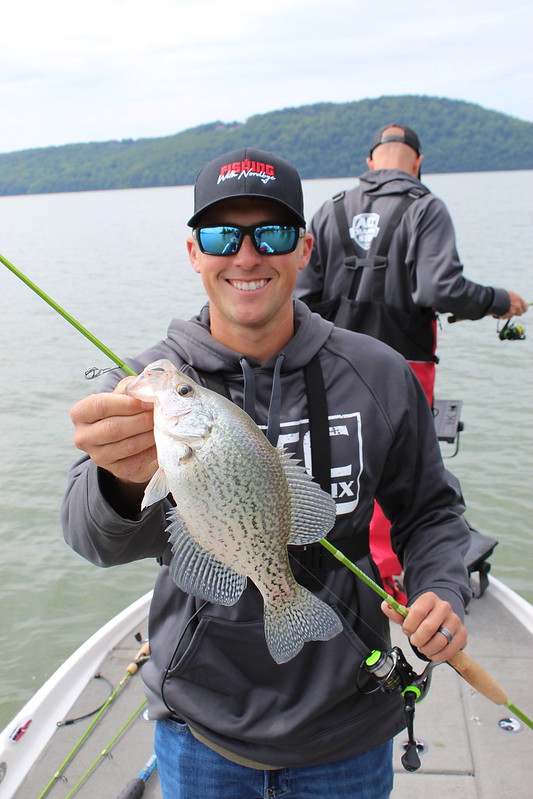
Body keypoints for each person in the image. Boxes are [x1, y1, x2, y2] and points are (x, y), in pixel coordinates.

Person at [62, 147, 472, 799]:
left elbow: (431, 515)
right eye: (223, 234)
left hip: (348, 725)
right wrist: (116, 481)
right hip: (202, 730)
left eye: (271, 232)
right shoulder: (147, 387)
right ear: (194, 251)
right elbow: (95, 542)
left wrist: (442, 589)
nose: (246, 255)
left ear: (305, 248)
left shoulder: (380, 372)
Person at [295, 124, 528, 594]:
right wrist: (500, 300)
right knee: (404, 471)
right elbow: (439, 289)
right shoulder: (427, 207)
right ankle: (389, 577)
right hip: (402, 363)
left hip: (328, 363)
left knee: (333, 460)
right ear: (418, 162)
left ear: (371, 162)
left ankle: (329, 567)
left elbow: (303, 294)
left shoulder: (330, 209)